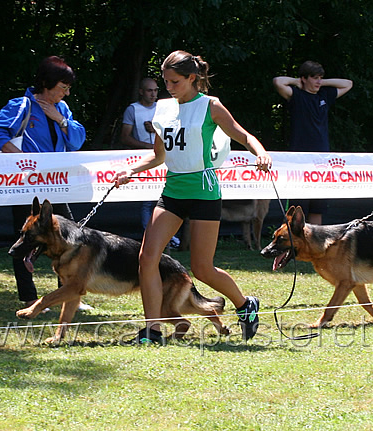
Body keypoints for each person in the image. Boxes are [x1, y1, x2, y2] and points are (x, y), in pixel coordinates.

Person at [114, 50, 272, 343]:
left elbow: (244, 136)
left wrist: (261, 153)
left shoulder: (211, 106)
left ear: (192, 78)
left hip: (203, 192)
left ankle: (245, 305)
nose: (169, 87)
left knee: (202, 268)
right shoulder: (162, 109)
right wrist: (131, 170)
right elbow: (158, 156)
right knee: (147, 258)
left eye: (175, 81)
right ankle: (153, 330)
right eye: (166, 81)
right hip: (172, 192)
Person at [0, 56, 89, 311]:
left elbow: (77, 141)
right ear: (46, 84)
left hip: (56, 185)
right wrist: (22, 161)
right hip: (24, 186)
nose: (66, 93)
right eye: (63, 87)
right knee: (26, 240)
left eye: (68, 88)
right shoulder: (22, 105)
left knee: (69, 236)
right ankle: (29, 297)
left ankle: (68, 295)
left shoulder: (62, 109)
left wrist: (60, 119)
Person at [272, 61, 352, 225]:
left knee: (318, 206)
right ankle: (290, 243)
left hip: (322, 159)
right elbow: (278, 81)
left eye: (320, 78)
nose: (318, 82)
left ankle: (315, 244)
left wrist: (323, 82)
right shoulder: (296, 95)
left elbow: (348, 84)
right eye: (314, 78)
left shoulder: (324, 95)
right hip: (299, 159)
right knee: (296, 206)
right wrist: (298, 82)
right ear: (304, 78)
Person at [119, 77, 166, 237]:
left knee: (164, 197)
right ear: (141, 91)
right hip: (143, 158)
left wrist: (156, 131)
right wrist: (148, 146)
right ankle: (150, 235)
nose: (153, 94)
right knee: (147, 200)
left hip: (165, 158)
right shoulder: (132, 109)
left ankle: (167, 236)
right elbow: (124, 137)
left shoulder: (163, 108)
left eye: (156, 90)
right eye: (149, 90)